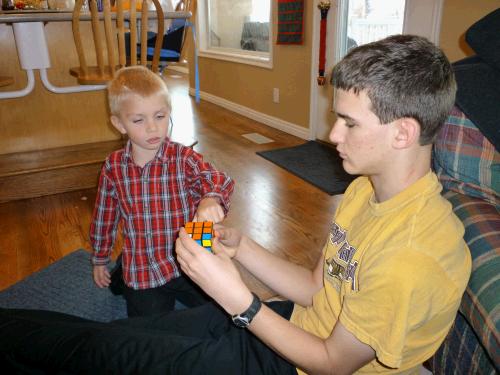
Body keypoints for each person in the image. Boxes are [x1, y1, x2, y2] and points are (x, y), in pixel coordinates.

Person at [0, 35, 471, 374]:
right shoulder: (367, 191)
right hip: (290, 322)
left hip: (292, 362)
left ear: (403, 132)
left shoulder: (410, 258)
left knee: (105, 358)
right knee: (113, 340)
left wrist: (238, 302)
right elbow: (315, 288)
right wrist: (240, 246)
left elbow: (332, 364)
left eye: (348, 123)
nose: (331, 136)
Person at [90, 66, 235, 317]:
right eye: (138, 120)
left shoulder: (183, 157)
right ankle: (121, 271)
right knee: (152, 333)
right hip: (144, 268)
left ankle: (122, 273)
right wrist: (100, 258)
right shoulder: (113, 167)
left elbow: (217, 178)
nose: (152, 128)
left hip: (191, 260)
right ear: (119, 124)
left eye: (160, 116)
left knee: (225, 313)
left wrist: (210, 198)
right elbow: (105, 217)